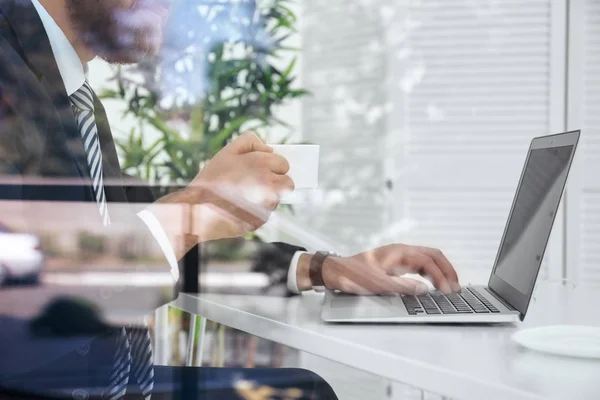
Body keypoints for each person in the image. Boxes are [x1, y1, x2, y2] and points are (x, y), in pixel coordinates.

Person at [0, 0, 462, 398]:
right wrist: (193, 210)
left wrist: (320, 268)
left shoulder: (73, 95)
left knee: (304, 391)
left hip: (107, 382)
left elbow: (136, 246)